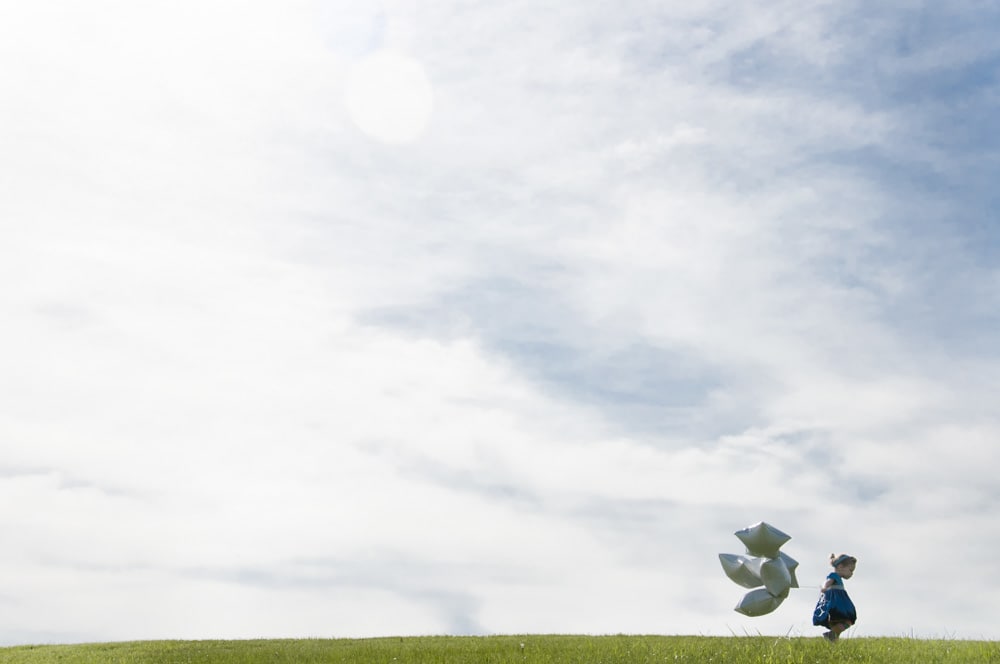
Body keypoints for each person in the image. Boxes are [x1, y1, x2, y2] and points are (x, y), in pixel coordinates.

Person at [812, 553, 857, 642]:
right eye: (850, 570)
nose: (851, 573)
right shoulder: (834, 575)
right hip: (837, 604)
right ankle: (832, 635)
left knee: (840, 622)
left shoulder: (837, 578)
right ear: (840, 566)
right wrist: (825, 587)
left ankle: (833, 638)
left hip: (838, 602)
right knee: (847, 620)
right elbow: (828, 581)